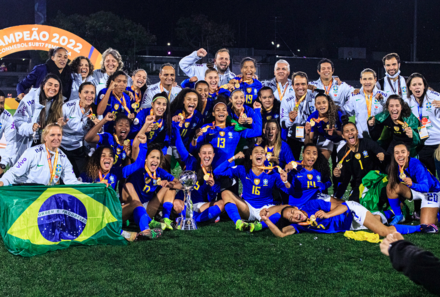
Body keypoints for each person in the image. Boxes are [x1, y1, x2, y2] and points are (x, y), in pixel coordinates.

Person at [213, 145, 292, 231]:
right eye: (256, 152)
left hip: (266, 209)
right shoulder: (242, 170)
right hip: (247, 208)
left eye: (262, 153)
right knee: (225, 193)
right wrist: (234, 157)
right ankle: (239, 223)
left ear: (265, 157)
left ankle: (258, 226)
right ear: (250, 157)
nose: (259, 154)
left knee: (286, 208)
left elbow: (290, 192)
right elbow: (217, 171)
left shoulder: (273, 174)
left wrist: (285, 181)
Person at [260, 198, 422, 238]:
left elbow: (345, 205)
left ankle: (422, 227)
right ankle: (390, 213)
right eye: (292, 218)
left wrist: (327, 214)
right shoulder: (300, 226)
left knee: (383, 232)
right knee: (377, 221)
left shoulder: (311, 206)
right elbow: (281, 234)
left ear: (296, 208)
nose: (295, 216)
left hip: (351, 211)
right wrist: (267, 221)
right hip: (350, 225)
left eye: (293, 212)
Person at [123, 143, 183, 231]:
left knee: (169, 186)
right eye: (152, 157)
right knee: (128, 186)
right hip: (133, 207)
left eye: (158, 158)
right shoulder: (139, 169)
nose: (155, 160)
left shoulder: (159, 171)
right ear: (146, 158)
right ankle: (148, 222)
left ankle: (166, 219)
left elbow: (181, 184)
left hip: (148, 207)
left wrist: (170, 184)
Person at [0, 123, 83, 186]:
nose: (56, 138)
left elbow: (71, 181)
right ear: (45, 137)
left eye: (59, 135)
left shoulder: (63, 157)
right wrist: (2, 182)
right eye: (52, 135)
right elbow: (14, 172)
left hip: (46, 198)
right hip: (28, 194)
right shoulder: (32, 152)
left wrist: (92, 186)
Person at [173, 123, 224, 223]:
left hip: (201, 205)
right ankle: (201, 218)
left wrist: (213, 186)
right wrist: (176, 128)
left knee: (221, 204)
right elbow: (180, 148)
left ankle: (193, 219)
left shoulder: (217, 171)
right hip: (184, 202)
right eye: (204, 153)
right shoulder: (192, 162)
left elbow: (214, 194)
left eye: (209, 153)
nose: (207, 155)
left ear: (213, 155)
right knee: (175, 203)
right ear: (199, 155)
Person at [191, 100, 263, 169]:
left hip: (228, 171)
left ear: (227, 113)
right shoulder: (206, 128)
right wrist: (195, 137)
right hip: (210, 170)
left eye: (224, 110)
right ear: (213, 113)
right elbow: (194, 149)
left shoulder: (235, 129)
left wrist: (257, 111)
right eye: (218, 110)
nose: (221, 112)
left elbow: (257, 132)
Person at [386, 142, 439, 230]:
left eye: (403, 152)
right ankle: (399, 216)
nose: (400, 155)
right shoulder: (395, 165)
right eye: (397, 153)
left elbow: (425, 188)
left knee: (426, 224)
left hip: (431, 191)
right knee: (391, 186)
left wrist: (412, 184)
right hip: (414, 190)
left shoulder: (416, 165)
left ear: (408, 153)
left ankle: (437, 213)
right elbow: (399, 187)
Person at [14, 74, 65, 159]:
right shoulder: (29, 100)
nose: (53, 88)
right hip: (28, 143)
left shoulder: (60, 103)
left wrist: (57, 125)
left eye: (56, 86)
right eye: (50, 84)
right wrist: (31, 127)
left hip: (46, 143)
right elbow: (17, 122)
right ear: (43, 85)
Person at [333, 122, 386, 202]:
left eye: (352, 130)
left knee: (387, 197)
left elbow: (384, 155)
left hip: (376, 180)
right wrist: (338, 175)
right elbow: (345, 177)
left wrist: (383, 156)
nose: (350, 133)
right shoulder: (342, 153)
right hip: (359, 184)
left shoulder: (368, 143)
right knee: (354, 205)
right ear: (343, 136)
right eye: (347, 131)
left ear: (357, 132)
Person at [81, 134, 148, 190]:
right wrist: (94, 185)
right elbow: (76, 187)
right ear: (98, 159)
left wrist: (143, 146)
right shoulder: (88, 174)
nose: (107, 158)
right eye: (103, 155)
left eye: (110, 156)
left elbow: (138, 166)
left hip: (109, 205)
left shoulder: (116, 172)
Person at [60, 82, 99, 177]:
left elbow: (100, 132)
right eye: (86, 92)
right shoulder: (67, 107)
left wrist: (98, 125)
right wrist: (59, 125)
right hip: (62, 147)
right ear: (79, 94)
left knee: (81, 177)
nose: (89, 96)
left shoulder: (95, 110)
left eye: (92, 93)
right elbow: (55, 125)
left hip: (80, 149)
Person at [406, 73, 440, 174]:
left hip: (438, 143)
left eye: (420, 84)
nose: (417, 87)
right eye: (414, 84)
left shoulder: (435, 97)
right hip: (422, 144)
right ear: (410, 87)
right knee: (428, 177)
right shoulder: (407, 101)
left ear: (424, 86)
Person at [280, 71, 316, 160]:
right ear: (292, 86)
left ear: (308, 85)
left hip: (311, 135)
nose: (300, 87)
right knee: (292, 163)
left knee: (311, 163)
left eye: (303, 84)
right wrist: (290, 120)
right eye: (297, 84)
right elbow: (282, 123)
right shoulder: (287, 99)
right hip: (293, 136)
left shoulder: (314, 98)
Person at [344, 68, 388, 139]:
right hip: (361, 138)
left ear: (375, 80)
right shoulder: (354, 96)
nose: (367, 82)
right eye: (364, 79)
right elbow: (346, 112)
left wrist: (382, 101)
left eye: (370, 79)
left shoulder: (384, 96)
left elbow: (389, 113)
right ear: (360, 80)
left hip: (379, 138)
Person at [305, 92, 347, 159]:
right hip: (326, 139)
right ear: (315, 105)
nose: (322, 105)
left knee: (342, 160)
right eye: (319, 103)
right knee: (321, 159)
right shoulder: (312, 118)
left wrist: (335, 132)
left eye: (324, 102)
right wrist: (307, 134)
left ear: (328, 104)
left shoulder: (338, 113)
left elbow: (348, 134)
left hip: (341, 139)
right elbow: (308, 144)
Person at [169, 89, 204, 168]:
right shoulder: (175, 113)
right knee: (166, 168)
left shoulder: (198, 117)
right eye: (189, 99)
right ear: (183, 101)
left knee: (187, 168)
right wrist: (172, 122)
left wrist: (196, 135)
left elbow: (195, 138)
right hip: (169, 145)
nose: (192, 102)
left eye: (195, 100)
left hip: (184, 147)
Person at [0, 90, 17, 171]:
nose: (0, 106)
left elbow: (11, 142)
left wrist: (3, 164)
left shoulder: (7, 117)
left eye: (1, 103)